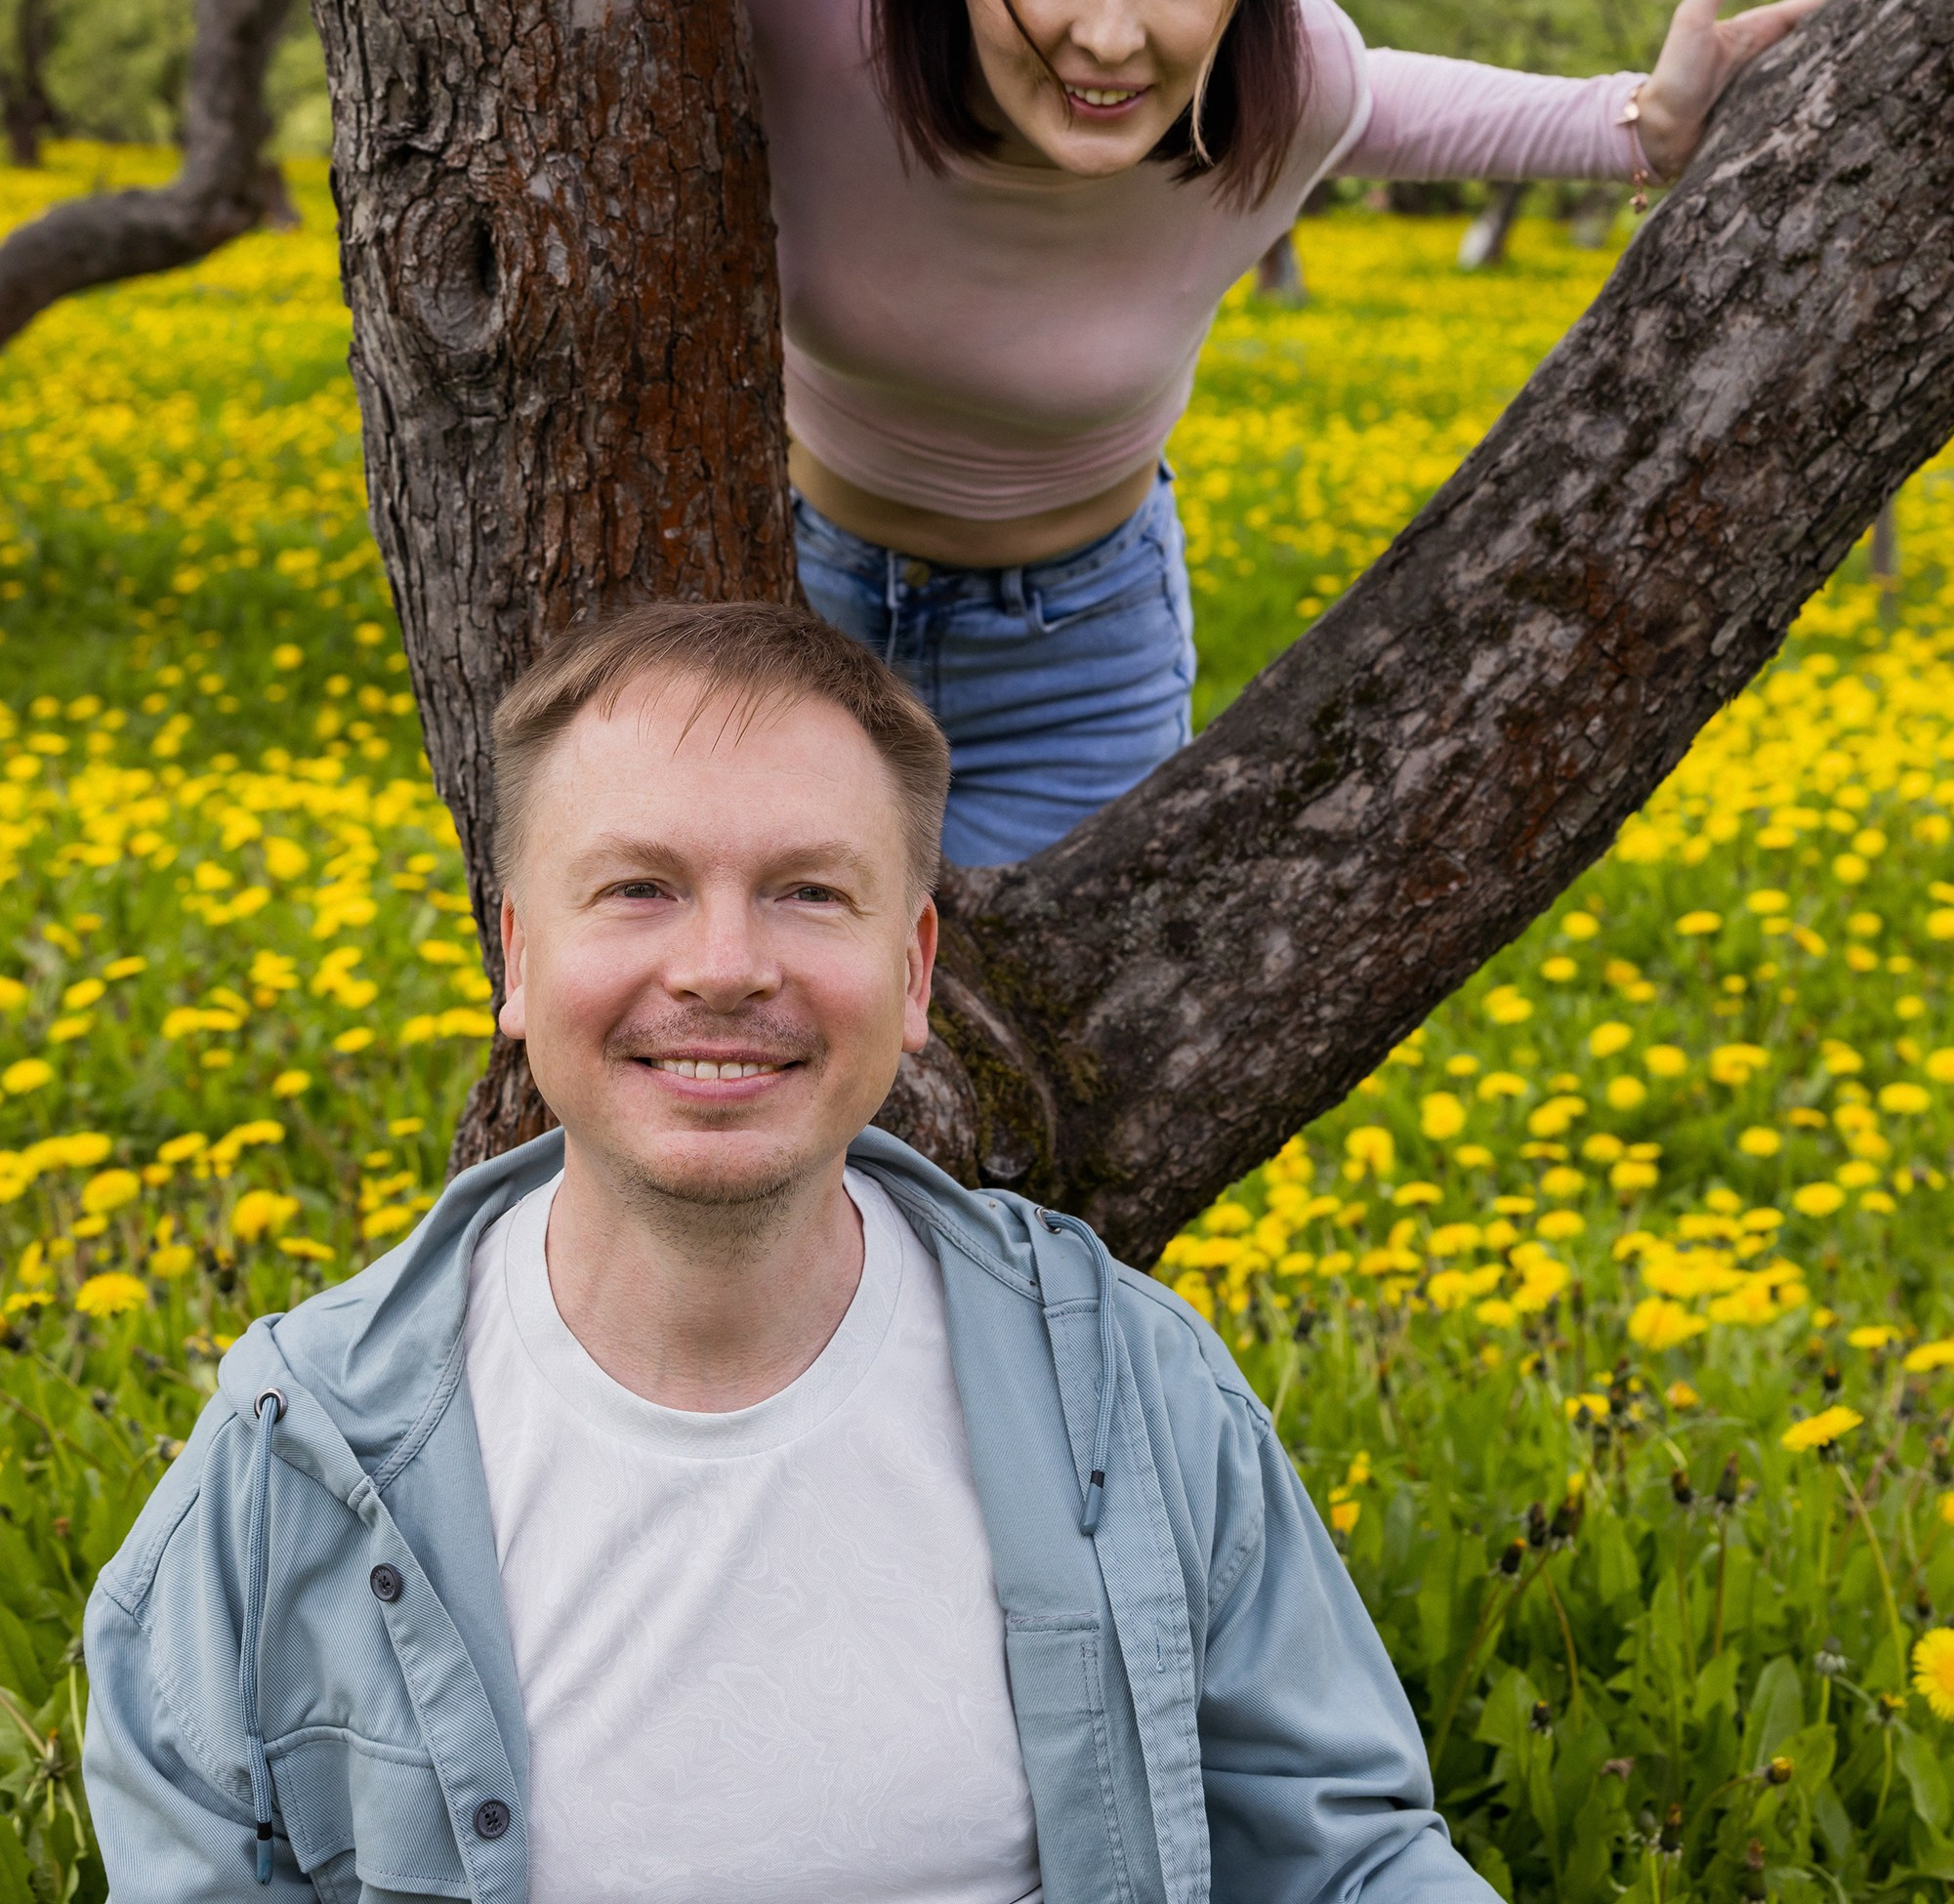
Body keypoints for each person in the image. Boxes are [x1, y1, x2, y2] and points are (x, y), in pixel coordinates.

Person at [86, 599, 1503, 1904]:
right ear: (516, 959)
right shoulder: (297, 1460)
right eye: (637, 887)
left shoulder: (1132, 1389)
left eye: (809, 893)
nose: (722, 966)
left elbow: (1347, 1863)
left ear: (913, 971)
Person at [739, 0, 1831, 865]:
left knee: (1029, 1047)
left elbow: (1436, 106)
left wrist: (1654, 116)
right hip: (787, 603)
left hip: (1082, 663)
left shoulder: (1283, 88)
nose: (1110, 33)